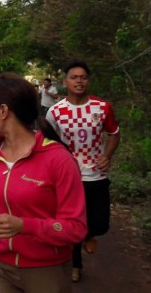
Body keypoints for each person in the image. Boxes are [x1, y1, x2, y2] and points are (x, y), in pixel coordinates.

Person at [0, 73, 87, 293]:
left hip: (47, 269)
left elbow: (76, 228)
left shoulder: (58, 159)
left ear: (3, 111)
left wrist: (25, 226)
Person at [46, 60, 121, 283]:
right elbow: (47, 142)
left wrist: (107, 156)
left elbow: (114, 134)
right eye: (74, 77)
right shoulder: (55, 112)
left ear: (88, 81)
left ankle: (90, 234)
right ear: (65, 82)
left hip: (96, 175)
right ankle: (75, 265)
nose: (79, 81)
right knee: (71, 223)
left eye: (83, 77)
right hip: (68, 177)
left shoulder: (102, 107)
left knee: (100, 223)